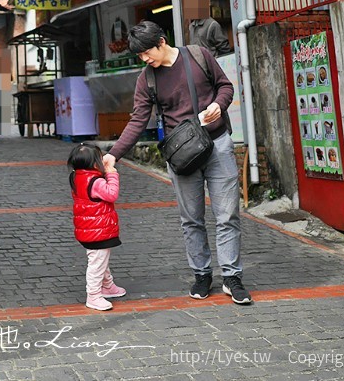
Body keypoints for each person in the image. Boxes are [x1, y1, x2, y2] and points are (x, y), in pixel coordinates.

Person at [103, 21, 252, 305]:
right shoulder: (146, 79)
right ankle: (202, 274)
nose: (144, 59)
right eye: (140, 56)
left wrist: (218, 105)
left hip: (217, 144)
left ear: (161, 41)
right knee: (191, 219)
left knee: (227, 215)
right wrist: (114, 153)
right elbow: (137, 120)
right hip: (182, 154)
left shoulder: (198, 55)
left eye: (146, 52)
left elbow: (225, 87)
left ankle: (232, 277)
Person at [69, 142, 126, 311]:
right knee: (97, 263)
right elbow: (111, 194)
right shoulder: (95, 181)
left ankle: (108, 286)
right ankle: (93, 296)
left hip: (89, 229)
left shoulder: (77, 176)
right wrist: (112, 174)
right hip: (98, 230)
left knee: (101, 260)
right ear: (95, 164)